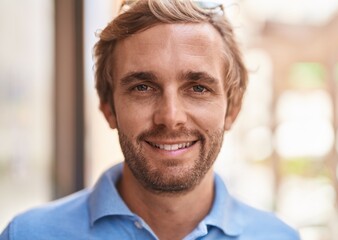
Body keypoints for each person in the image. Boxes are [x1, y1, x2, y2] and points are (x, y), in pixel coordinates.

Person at [0, 0, 300, 239]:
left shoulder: (279, 237)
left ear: (232, 109)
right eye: (142, 87)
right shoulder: (27, 235)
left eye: (198, 88)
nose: (170, 117)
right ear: (108, 107)